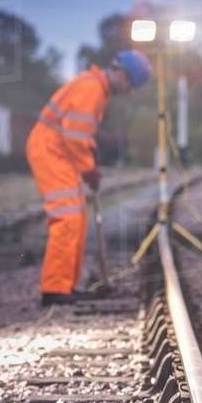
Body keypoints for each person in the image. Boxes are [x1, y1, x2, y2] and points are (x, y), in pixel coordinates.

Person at [26, 50, 151, 306]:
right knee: (67, 218)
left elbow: (79, 134)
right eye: (128, 85)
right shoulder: (91, 89)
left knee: (77, 218)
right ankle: (54, 289)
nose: (126, 91)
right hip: (51, 151)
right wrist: (89, 169)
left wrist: (90, 162)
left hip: (59, 151)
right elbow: (74, 136)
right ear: (121, 74)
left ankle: (65, 286)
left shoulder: (94, 87)